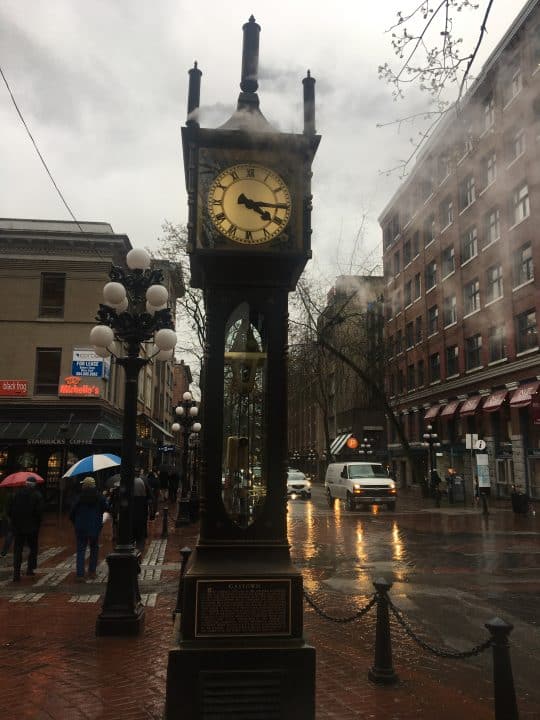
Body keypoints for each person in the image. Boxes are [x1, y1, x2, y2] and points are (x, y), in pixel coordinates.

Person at [69, 476, 109, 582]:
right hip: (95, 527)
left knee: (81, 550)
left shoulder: (78, 498)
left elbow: (72, 513)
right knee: (94, 548)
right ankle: (92, 571)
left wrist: (76, 522)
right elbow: (107, 508)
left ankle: (80, 574)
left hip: (81, 527)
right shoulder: (99, 497)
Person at [7, 477, 44, 582]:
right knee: (33, 548)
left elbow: (9, 510)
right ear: (34, 485)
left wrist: (14, 521)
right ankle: (30, 568)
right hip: (32, 527)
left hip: (18, 527)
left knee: (18, 549)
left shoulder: (16, 494)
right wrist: (38, 523)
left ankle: (16, 573)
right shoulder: (37, 495)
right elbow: (39, 512)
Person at [132, 475, 150, 553]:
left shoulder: (128, 482)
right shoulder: (143, 481)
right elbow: (150, 495)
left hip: (132, 509)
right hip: (142, 507)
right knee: (140, 533)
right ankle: (139, 551)